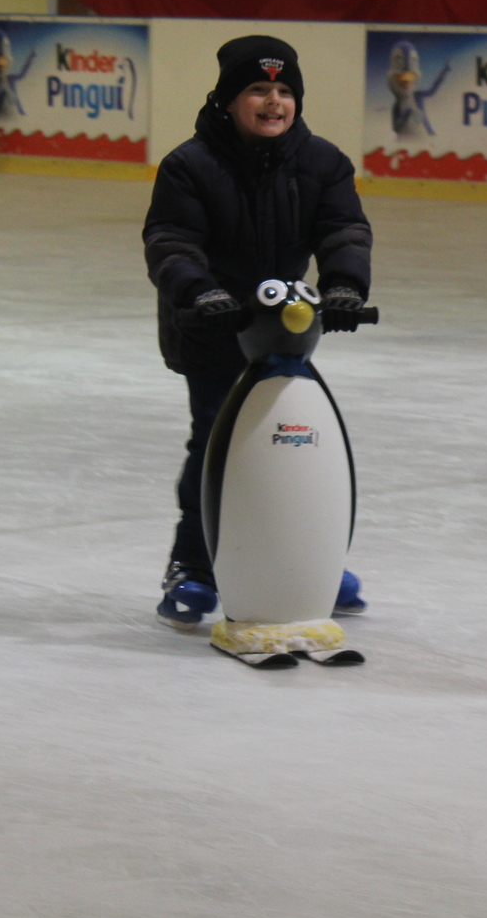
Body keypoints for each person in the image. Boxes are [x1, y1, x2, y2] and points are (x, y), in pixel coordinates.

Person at [142, 36, 374, 626]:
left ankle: (310, 561)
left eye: (284, 91)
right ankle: (192, 566)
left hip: (284, 329)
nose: (273, 102)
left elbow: (344, 228)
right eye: (257, 90)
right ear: (227, 100)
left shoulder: (322, 161)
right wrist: (200, 292)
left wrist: (345, 284)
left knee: (296, 442)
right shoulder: (189, 165)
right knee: (217, 445)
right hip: (211, 327)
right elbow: (171, 242)